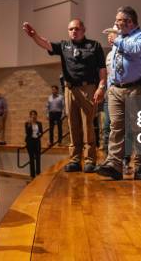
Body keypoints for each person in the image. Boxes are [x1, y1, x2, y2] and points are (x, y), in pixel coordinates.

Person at [22, 19, 106, 173]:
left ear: (84, 30)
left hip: (88, 87)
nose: (74, 31)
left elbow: (102, 69)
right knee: (73, 125)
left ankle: (89, 160)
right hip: (69, 90)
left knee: (87, 125)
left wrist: (101, 87)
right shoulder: (64, 46)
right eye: (71, 29)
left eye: (77, 28)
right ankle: (74, 159)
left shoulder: (94, 46)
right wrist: (34, 36)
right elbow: (47, 44)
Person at [97, 6, 141, 181]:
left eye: (118, 20)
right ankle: (114, 165)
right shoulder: (119, 39)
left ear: (129, 21)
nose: (115, 23)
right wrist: (108, 87)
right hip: (115, 89)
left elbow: (137, 50)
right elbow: (113, 64)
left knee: (140, 129)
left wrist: (117, 41)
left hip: (137, 88)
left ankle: (140, 165)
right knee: (116, 128)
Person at [24, 110, 43, 178]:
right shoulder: (27, 123)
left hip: (37, 142)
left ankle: (38, 173)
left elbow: (41, 132)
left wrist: (40, 134)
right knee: (31, 159)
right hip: (30, 142)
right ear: (30, 116)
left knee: (38, 158)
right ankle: (32, 175)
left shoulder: (39, 123)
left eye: (34, 114)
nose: (33, 116)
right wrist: (30, 124)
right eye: (32, 114)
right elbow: (27, 133)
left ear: (36, 115)